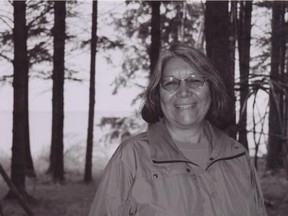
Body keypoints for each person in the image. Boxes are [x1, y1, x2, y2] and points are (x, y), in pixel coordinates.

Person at [88, 43, 267, 216]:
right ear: (157, 95)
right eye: (171, 83)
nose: (183, 91)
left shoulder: (237, 156)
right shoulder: (131, 157)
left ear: (211, 88)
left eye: (195, 81)